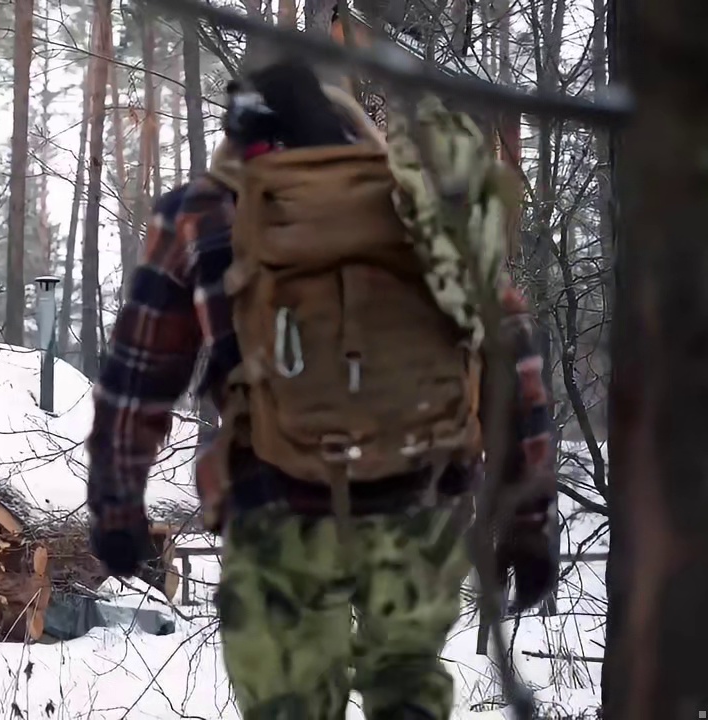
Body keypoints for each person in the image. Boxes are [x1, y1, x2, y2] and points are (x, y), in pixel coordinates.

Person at [85, 57, 557, 720]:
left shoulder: (200, 213)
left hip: (274, 510)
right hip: (417, 510)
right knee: (408, 688)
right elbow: (511, 353)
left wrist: (116, 510)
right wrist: (530, 520)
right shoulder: (412, 205)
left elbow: (138, 380)